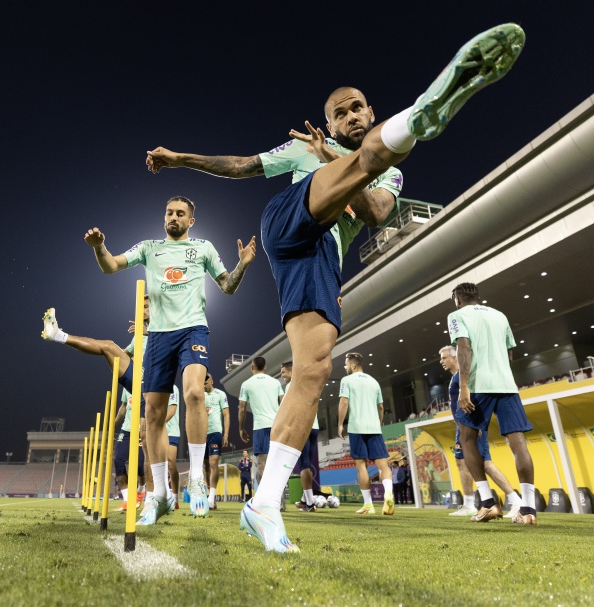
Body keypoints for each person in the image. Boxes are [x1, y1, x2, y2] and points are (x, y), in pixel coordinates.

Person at [149, 25, 525, 552]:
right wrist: (180, 159)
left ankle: (264, 505)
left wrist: (332, 157)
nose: (351, 116)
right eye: (342, 112)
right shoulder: (305, 150)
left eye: (359, 109)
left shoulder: (386, 176)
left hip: (323, 256)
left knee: (314, 370)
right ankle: (421, 114)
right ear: (328, 121)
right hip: (287, 223)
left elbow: (373, 211)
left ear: (369, 114)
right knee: (368, 160)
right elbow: (242, 165)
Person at [84, 195, 256, 524]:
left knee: (193, 392)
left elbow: (227, 287)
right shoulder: (149, 248)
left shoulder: (203, 248)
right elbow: (111, 266)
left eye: (180, 213)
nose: (173, 217)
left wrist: (242, 265)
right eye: (169, 212)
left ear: (191, 220)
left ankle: (196, 482)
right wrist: (98, 247)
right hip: (159, 335)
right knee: (153, 413)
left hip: (193, 329)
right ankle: (159, 494)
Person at [40, 297, 162, 510]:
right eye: (139, 307)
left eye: (144, 307)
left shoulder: (165, 325)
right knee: (107, 346)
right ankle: (58, 335)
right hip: (138, 380)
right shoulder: (140, 336)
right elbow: (123, 355)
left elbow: (170, 348)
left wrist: (148, 332)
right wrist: (112, 356)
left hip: (153, 382)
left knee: (148, 448)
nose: (140, 311)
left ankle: (152, 496)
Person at [448, 282, 538, 525]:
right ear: (477, 296)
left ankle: (488, 503)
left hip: (478, 385)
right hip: (507, 385)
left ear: (457, 298)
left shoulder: (456, 315)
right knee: (518, 442)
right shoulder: (500, 315)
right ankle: (528, 509)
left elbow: (463, 346)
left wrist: (464, 385)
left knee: (467, 439)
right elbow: (510, 353)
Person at [438, 345, 521, 518]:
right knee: (461, 461)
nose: (441, 361)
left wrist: (477, 425)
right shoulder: (456, 378)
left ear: (455, 358)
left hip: (471, 424)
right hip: (462, 424)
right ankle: (469, 503)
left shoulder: (466, 377)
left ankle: (515, 500)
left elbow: (476, 400)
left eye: (444, 358)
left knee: (484, 463)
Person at [337, 352, 394, 515]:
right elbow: (381, 406)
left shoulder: (346, 380)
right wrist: (379, 423)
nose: (345, 366)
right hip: (374, 427)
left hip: (356, 427)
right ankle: (388, 493)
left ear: (353, 365)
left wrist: (340, 424)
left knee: (361, 465)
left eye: (346, 363)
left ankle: (369, 505)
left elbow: (344, 401)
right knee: (383, 465)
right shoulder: (374, 382)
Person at [237, 357, 284, 485]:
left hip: (260, 427)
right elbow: (284, 403)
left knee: (262, 464)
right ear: (265, 367)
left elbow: (242, 408)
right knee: (276, 464)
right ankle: (279, 502)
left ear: (252, 367)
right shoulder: (275, 382)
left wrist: (241, 428)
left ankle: (263, 501)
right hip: (276, 427)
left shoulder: (246, 384)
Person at [282, 361, 320, 513]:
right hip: (314, 426)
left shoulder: (290, 386)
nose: (282, 375)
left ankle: (310, 504)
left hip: (302, 427)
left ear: (291, 372)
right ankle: (305, 500)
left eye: (284, 372)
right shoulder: (308, 382)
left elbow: (288, 408)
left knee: (304, 465)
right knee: (308, 464)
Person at [203, 373, 230, 509]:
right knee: (206, 466)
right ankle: (209, 494)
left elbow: (226, 414)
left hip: (215, 432)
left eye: (206, 383)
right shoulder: (200, 395)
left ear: (211, 380)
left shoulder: (220, 394)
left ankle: (212, 498)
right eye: (202, 384)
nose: (204, 386)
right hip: (201, 434)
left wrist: (225, 434)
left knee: (214, 463)